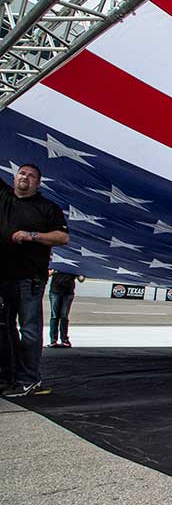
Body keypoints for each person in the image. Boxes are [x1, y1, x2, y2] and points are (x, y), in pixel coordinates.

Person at [0, 164, 69, 397]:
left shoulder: (47, 208)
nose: (25, 178)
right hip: (3, 277)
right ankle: (7, 375)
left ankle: (29, 379)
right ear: (14, 177)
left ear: (38, 183)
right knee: (4, 328)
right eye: (22, 173)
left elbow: (62, 237)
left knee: (29, 329)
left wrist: (32, 236)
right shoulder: (4, 197)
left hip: (30, 279)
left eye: (31, 176)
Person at [47, 269, 84, 348]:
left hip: (67, 292)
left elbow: (81, 279)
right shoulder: (57, 262)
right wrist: (54, 271)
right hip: (55, 291)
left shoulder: (73, 265)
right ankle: (54, 340)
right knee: (55, 316)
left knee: (63, 316)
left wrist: (82, 271)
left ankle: (64, 339)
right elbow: (48, 273)